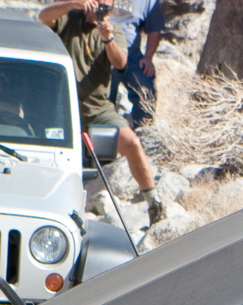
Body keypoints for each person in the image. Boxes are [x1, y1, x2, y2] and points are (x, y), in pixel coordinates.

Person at [37, 0, 160, 219]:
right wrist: (72, 4)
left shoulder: (114, 30)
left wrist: (108, 38)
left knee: (131, 142)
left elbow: (120, 63)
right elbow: (44, 17)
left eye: (106, 6)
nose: (100, 9)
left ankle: (154, 203)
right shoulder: (69, 20)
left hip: (97, 109)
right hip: (61, 109)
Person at [108, 0, 164, 130]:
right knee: (101, 96)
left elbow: (154, 30)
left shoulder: (148, 2)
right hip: (102, 54)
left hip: (131, 57)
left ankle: (141, 131)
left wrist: (148, 58)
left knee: (146, 88)